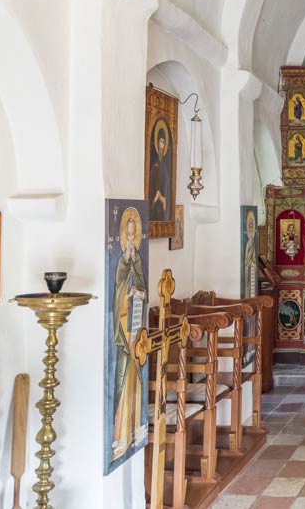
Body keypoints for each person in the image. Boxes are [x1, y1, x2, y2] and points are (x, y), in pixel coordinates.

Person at [112, 210, 147, 460]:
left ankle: (134, 425)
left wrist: (140, 294)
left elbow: (144, 288)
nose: (132, 240)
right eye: (129, 235)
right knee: (122, 373)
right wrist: (127, 295)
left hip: (137, 327)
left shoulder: (138, 263)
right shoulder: (122, 265)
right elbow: (117, 291)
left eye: (135, 235)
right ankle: (120, 431)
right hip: (124, 329)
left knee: (136, 374)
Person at [148, 125, 173, 221]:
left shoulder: (165, 164)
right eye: (161, 141)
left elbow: (167, 180)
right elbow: (152, 177)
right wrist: (156, 193)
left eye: (164, 142)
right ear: (158, 142)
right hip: (156, 195)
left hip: (162, 196)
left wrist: (163, 196)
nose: (162, 144)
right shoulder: (155, 163)